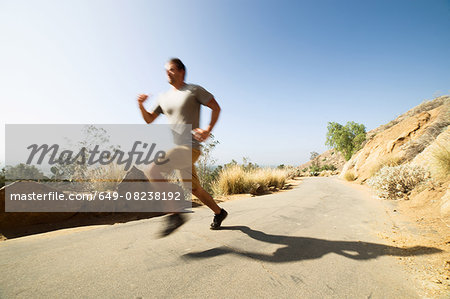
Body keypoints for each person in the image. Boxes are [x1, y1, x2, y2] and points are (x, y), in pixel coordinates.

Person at [137, 58, 228, 236]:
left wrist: (208, 130)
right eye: (166, 71)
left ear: (181, 71)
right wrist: (141, 105)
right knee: (194, 189)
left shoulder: (193, 90)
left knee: (153, 169)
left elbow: (215, 107)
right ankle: (219, 213)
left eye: (171, 70)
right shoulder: (163, 97)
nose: (167, 73)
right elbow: (149, 119)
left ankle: (175, 213)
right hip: (178, 148)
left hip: (190, 146)